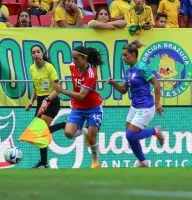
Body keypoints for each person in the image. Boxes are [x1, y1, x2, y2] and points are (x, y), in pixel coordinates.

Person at [107, 39, 164, 167]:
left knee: (131, 134)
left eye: (125, 55)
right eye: (122, 55)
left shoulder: (141, 67)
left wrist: (158, 103)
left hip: (146, 105)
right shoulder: (128, 72)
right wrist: (113, 83)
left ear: (133, 55)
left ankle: (156, 131)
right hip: (135, 106)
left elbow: (156, 84)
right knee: (130, 136)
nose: (123, 58)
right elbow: (123, 90)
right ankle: (143, 161)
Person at [53, 46, 104, 168]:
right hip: (78, 108)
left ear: (84, 58)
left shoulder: (91, 73)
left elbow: (81, 96)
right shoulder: (72, 66)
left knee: (92, 138)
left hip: (93, 107)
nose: (73, 61)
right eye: (72, 58)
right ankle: (84, 131)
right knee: (69, 133)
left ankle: (95, 162)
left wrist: (62, 90)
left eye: (76, 58)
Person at [25, 45, 61, 168]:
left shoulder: (49, 68)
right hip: (40, 101)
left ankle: (66, 124)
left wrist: (47, 99)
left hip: (52, 100)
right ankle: (43, 163)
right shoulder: (31, 68)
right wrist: (31, 101)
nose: (36, 54)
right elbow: (36, 87)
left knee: (42, 130)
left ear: (42, 54)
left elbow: (58, 89)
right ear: (31, 55)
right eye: (33, 52)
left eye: (38, 52)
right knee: (39, 132)